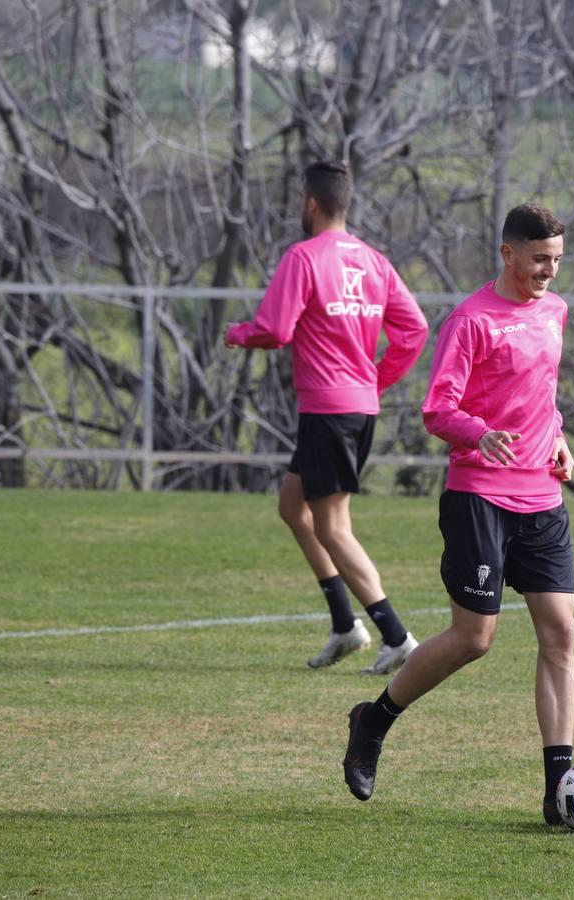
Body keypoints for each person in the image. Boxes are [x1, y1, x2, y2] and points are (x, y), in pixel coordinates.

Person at [340, 203, 574, 826]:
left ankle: (558, 791)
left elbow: (544, 395)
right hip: (478, 495)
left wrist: (557, 434)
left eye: (556, 259)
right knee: (476, 639)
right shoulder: (471, 320)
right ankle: (374, 719)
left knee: (560, 634)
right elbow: (437, 408)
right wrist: (480, 433)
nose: (549, 271)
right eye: (538, 260)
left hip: (542, 497)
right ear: (508, 254)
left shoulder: (555, 312)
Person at [225, 160, 428, 672]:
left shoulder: (303, 257)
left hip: (330, 410)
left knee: (334, 527)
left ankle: (397, 637)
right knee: (294, 507)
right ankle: (345, 626)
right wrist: (373, 381)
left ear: (311, 203)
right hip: (354, 408)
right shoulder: (374, 261)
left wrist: (238, 333)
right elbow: (415, 330)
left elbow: (274, 329)